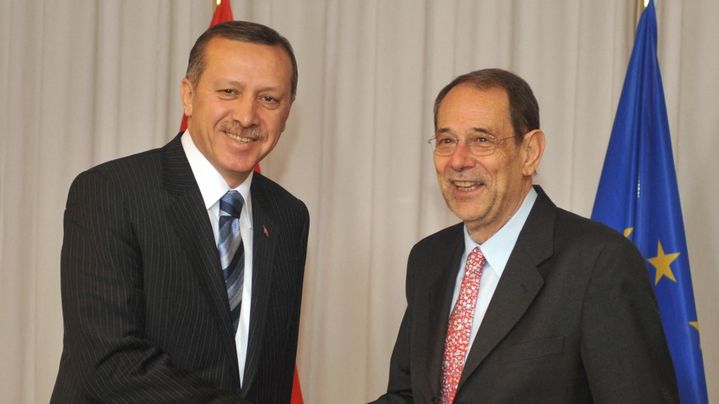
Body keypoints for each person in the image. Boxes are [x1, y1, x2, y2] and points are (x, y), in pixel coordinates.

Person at [371, 68, 679, 403]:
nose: (458, 160)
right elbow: (408, 395)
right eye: (447, 141)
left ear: (530, 152)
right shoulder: (428, 258)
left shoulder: (598, 263)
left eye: (482, 140)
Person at [51, 21, 308, 403]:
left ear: (287, 112)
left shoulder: (289, 216)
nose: (247, 115)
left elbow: (268, 373)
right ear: (188, 96)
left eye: (268, 99)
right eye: (228, 91)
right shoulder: (111, 192)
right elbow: (109, 364)